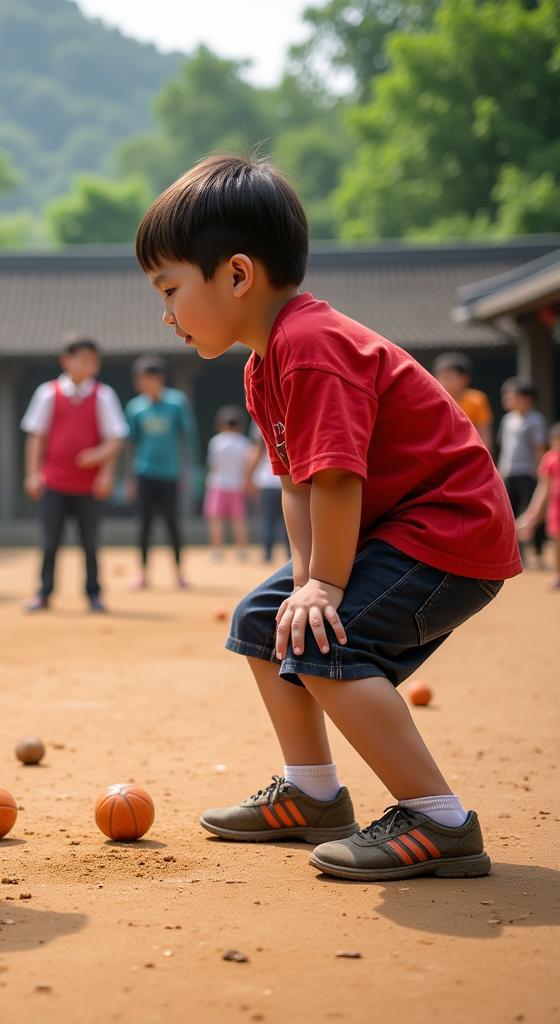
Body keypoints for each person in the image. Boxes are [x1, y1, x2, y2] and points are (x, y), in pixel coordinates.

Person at [137, 153, 520, 881]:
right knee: (265, 619)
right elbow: (297, 485)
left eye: (169, 289)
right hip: (395, 532)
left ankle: (439, 820)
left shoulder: (312, 348)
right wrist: (306, 582)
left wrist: (326, 588)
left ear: (238, 275)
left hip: (445, 533)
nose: (166, 314)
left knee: (326, 643)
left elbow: (339, 479)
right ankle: (313, 793)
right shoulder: (264, 365)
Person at [21, 335, 128, 613]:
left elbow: (114, 439)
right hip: (54, 481)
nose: (88, 366)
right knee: (49, 541)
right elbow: (36, 437)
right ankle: (44, 593)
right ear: (66, 360)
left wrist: (103, 466)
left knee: (90, 542)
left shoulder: (104, 395)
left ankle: (93, 594)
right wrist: (33, 474)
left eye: (93, 361)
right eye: (83, 360)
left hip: (89, 485)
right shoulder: (48, 393)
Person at [124, 355, 198, 590]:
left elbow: (185, 438)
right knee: (144, 525)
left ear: (160, 379)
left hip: (170, 474)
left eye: (150, 379)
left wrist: (186, 472)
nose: (146, 384)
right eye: (141, 380)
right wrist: (130, 479)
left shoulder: (177, 403)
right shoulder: (135, 408)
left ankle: (178, 573)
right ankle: (143, 573)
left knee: (172, 524)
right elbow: (130, 444)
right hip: (144, 472)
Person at [498, 378, 548, 568]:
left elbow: (539, 447)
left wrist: (540, 472)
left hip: (529, 473)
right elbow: (504, 447)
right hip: (510, 472)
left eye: (512, 395)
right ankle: (519, 553)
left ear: (527, 399)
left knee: (534, 511)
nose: (507, 398)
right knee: (511, 513)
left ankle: (539, 551)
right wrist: (501, 471)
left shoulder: (535, 419)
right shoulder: (507, 420)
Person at [204, 406, 252, 561]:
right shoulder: (244, 443)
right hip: (237, 485)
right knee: (238, 520)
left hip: (218, 484)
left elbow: (213, 465)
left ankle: (217, 551)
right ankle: (242, 550)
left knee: (216, 519)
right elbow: (247, 466)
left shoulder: (216, 442)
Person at [516, 423, 560, 590]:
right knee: (557, 542)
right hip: (556, 507)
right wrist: (531, 517)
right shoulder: (550, 459)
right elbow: (543, 490)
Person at [433, 352, 494, 451]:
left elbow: (484, 432)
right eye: (440, 377)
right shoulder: (434, 401)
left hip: (470, 453)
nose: (442, 382)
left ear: (464, 378)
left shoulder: (477, 399)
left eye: (448, 378)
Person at [247, 421, 289, 564]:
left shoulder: (262, 436)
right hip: (286, 482)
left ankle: (267, 555)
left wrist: (248, 478)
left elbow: (257, 456)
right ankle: (291, 556)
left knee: (269, 521)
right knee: (289, 522)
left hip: (267, 483)